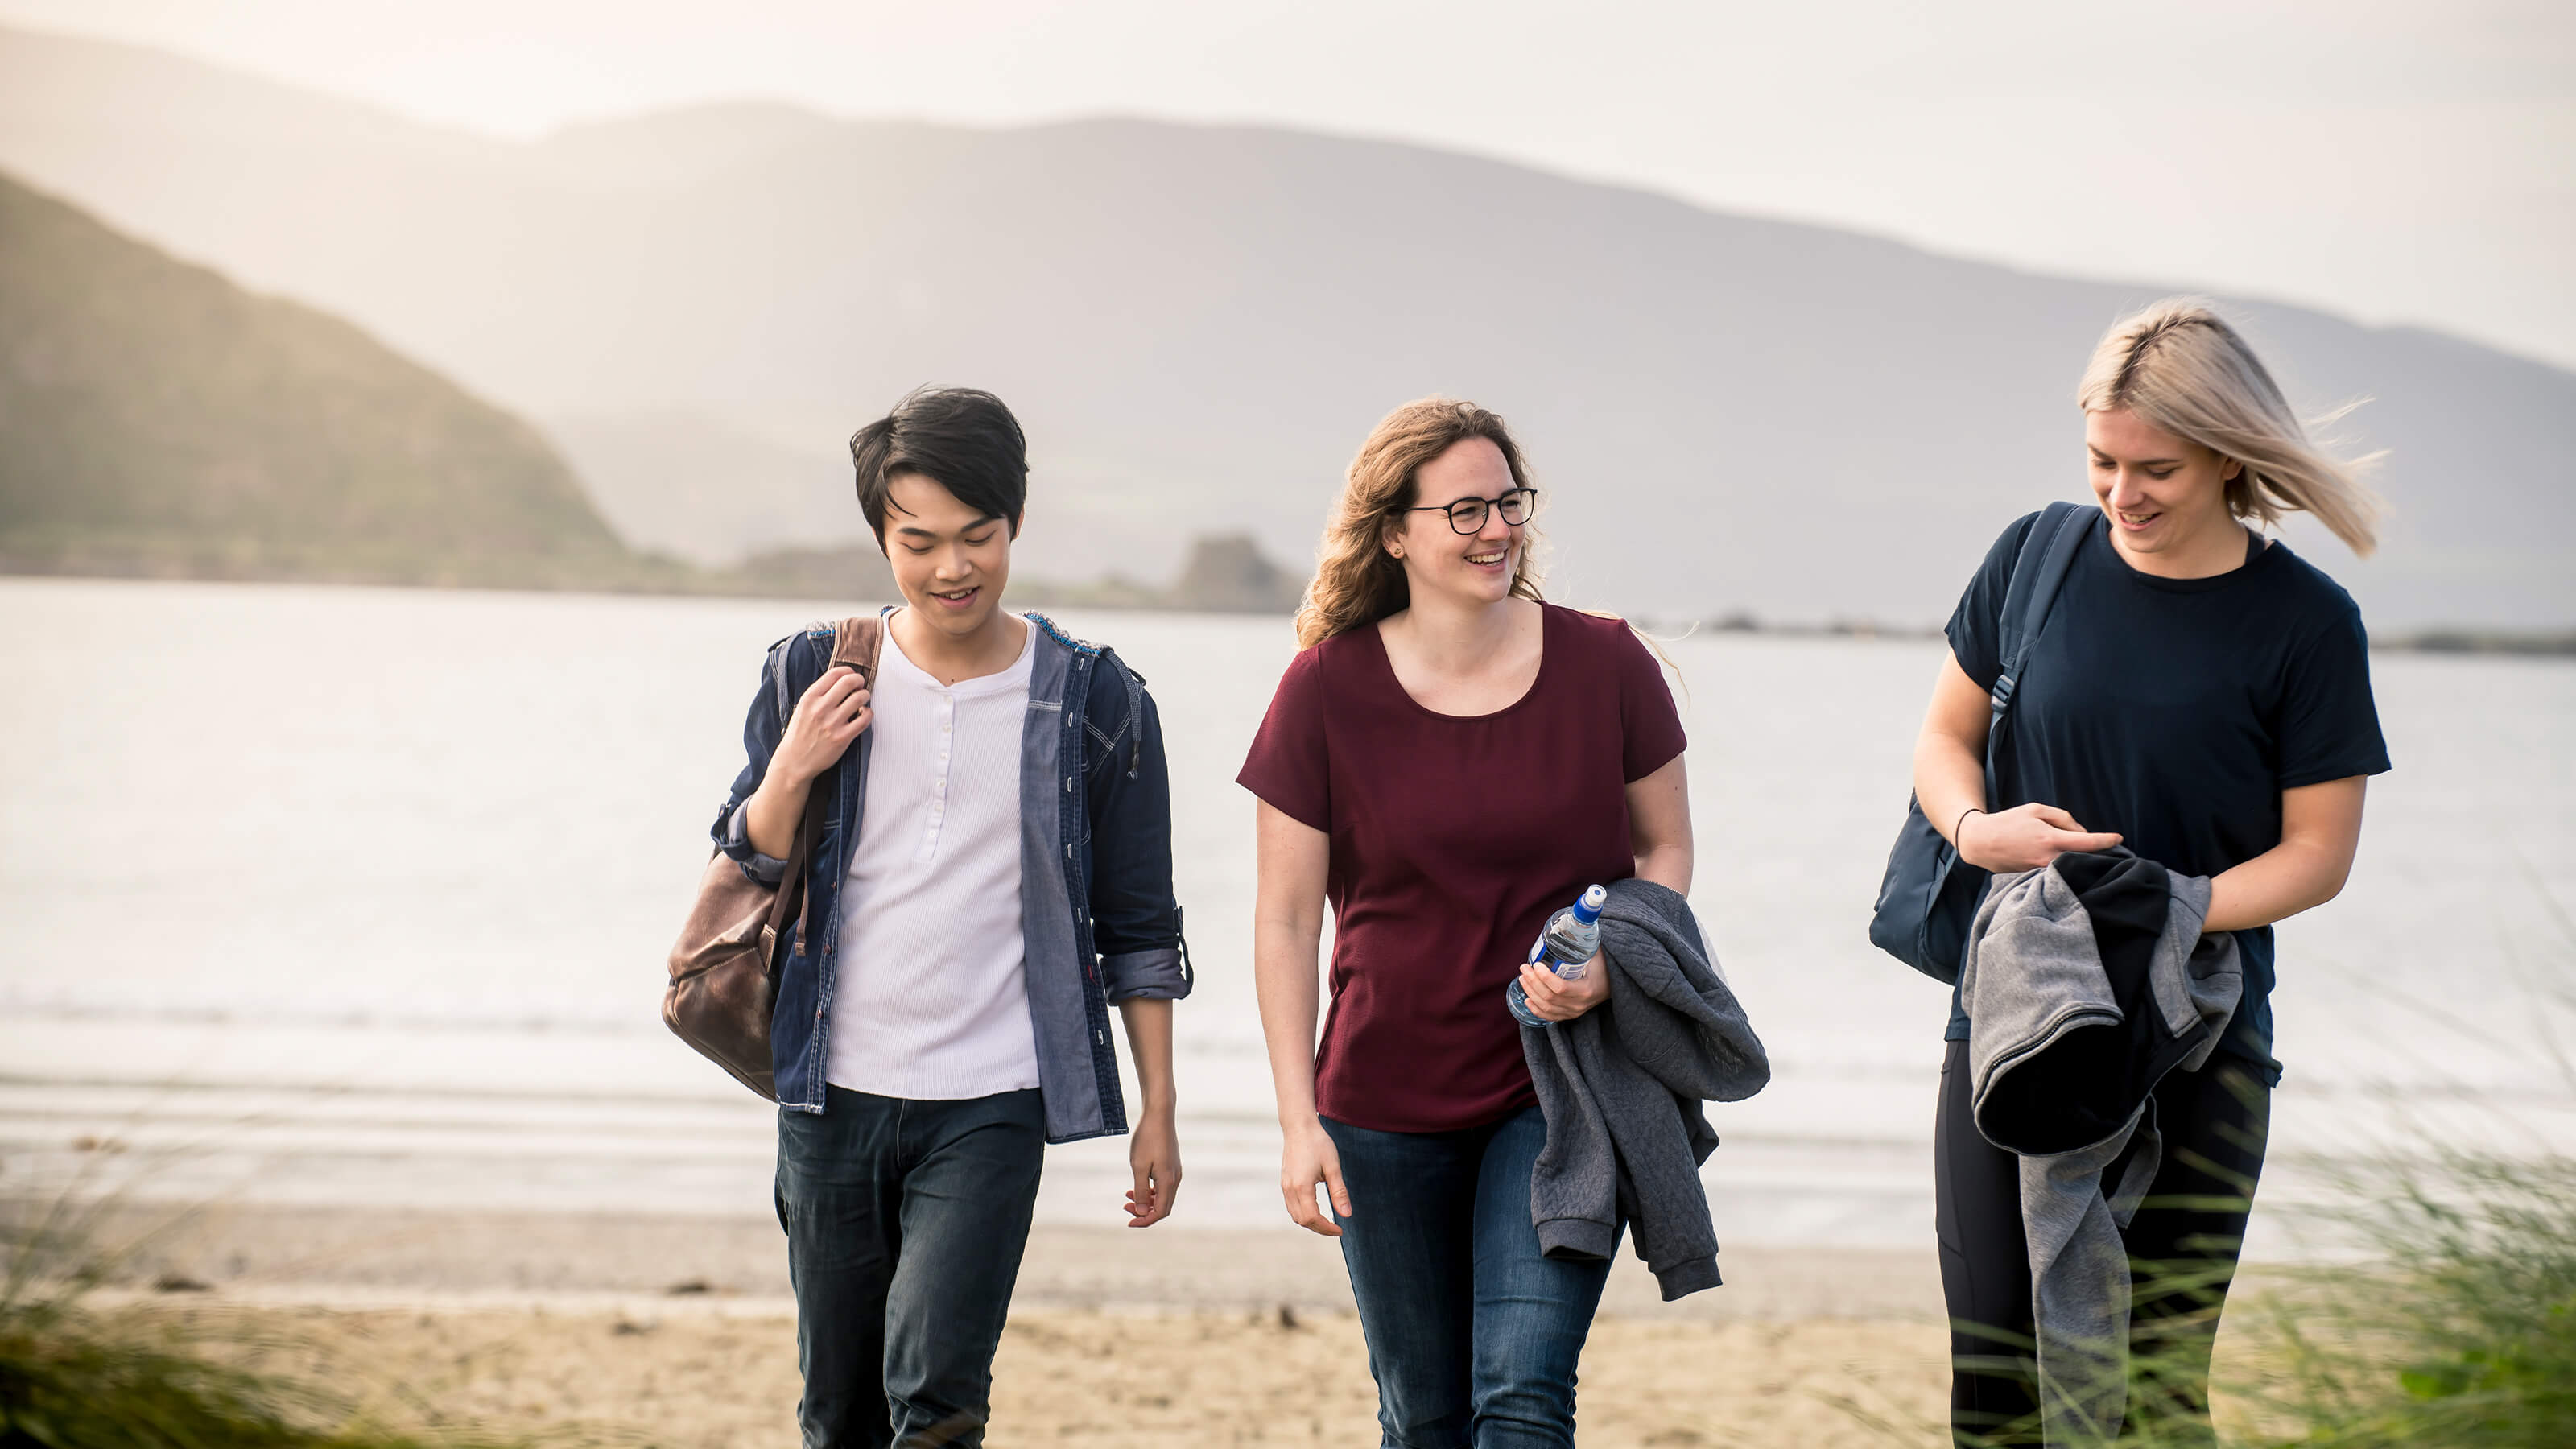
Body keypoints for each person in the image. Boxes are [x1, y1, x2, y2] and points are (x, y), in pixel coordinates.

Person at [1909, 301, 2390, 1443]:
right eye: (2103, 461)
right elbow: (1942, 742)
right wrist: (1979, 834)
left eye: (2157, 468)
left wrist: (2165, 911)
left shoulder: (2309, 624)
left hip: (2201, 1036)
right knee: (1996, 1392)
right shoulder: (2036, 556)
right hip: (2015, 1022)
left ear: (2229, 453)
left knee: (2156, 1399)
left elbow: (2320, 855)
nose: (2124, 492)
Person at [709, 386, 1189, 1448]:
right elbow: (744, 857)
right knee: (839, 1410)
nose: (952, 568)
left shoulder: (1101, 702)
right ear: (882, 535)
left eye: (977, 536)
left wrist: (1158, 1104)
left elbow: (1140, 924)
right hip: (828, 1092)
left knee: (936, 1398)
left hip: (992, 1099)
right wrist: (792, 765)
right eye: (918, 541)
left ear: (1014, 520)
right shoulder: (810, 671)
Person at [1238, 398, 1693, 1447]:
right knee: (1427, 1418)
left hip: (1563, 1088)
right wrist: (1296, 1122)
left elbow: (1662, 852)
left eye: (1509, 502)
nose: (1497, 529)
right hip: (1378, 1107)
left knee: (1523, 1399)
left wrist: (1617, 967)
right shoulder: (1322, 692)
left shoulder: (1608, 664)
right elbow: (1284, 920)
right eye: (1466, 510)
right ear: (1395, 531)